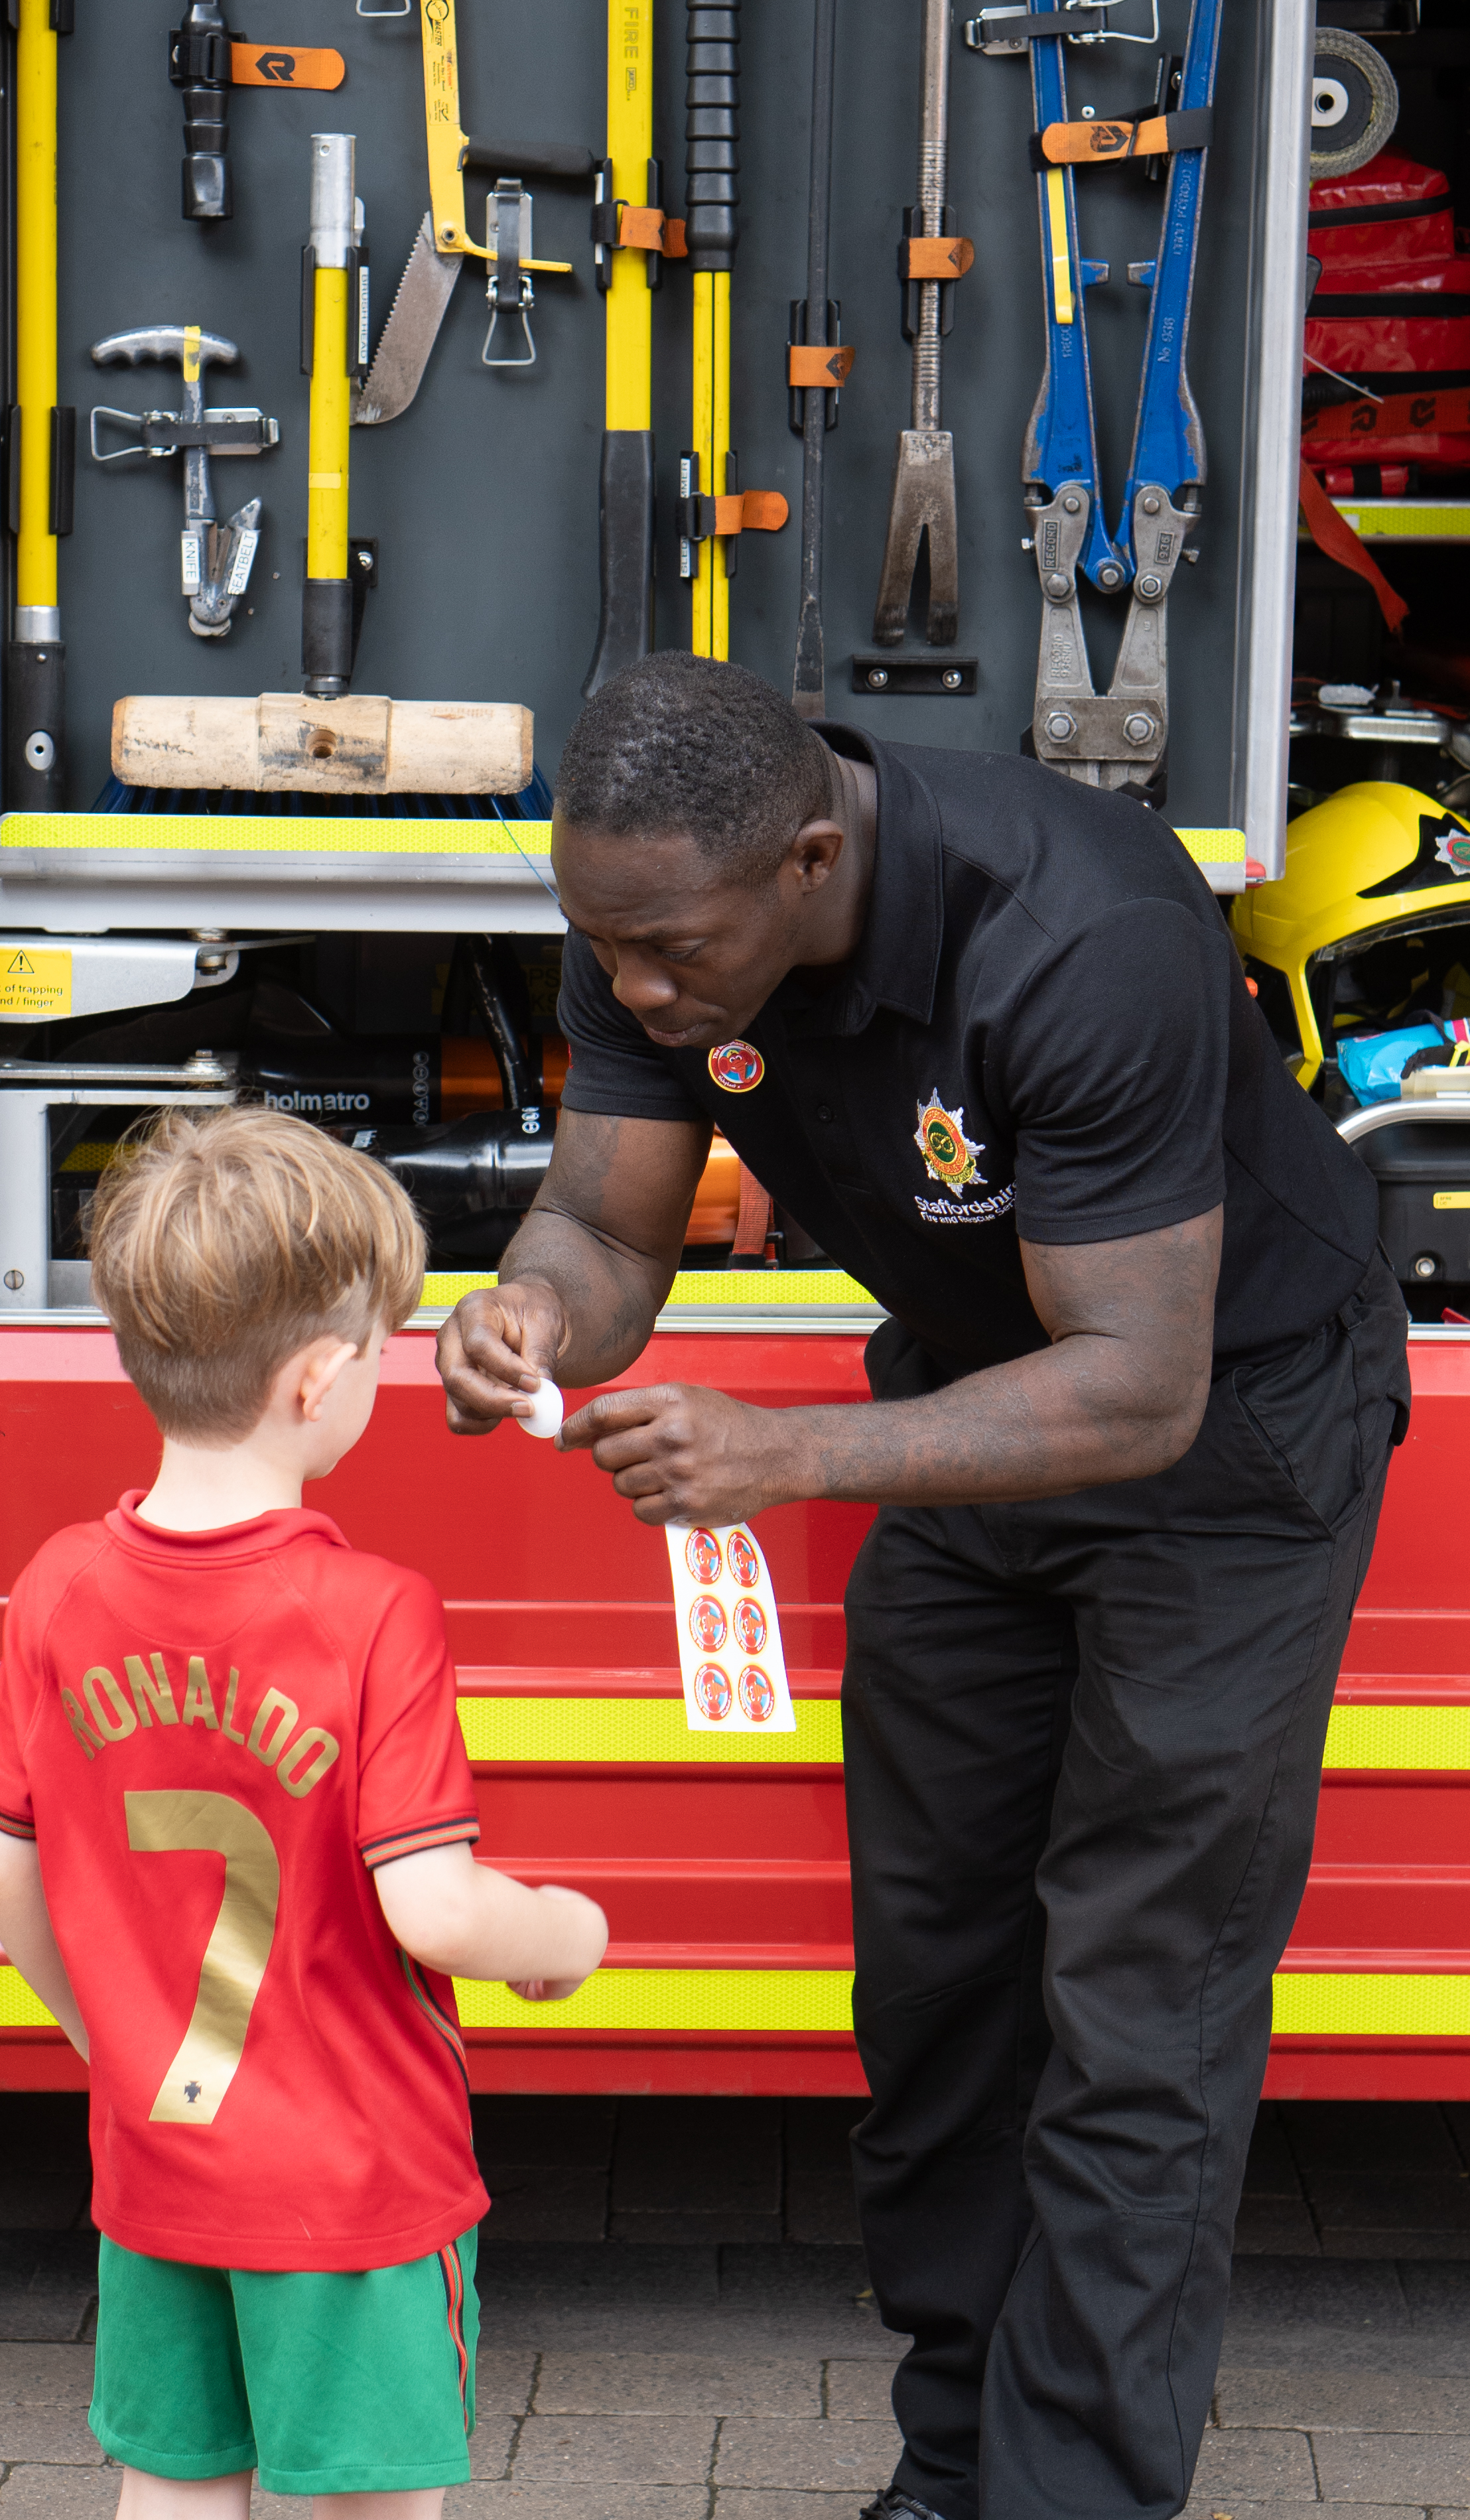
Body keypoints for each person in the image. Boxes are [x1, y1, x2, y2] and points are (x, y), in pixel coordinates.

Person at [436, 652, 1411, 2520]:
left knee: (1142, 1996)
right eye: (605, 950)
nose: (634, 991)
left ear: (812, 859)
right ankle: (958, 2451)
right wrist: (528, 1314)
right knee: (945, 1980)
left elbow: (1138, 1383)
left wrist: (792, 1454)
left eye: (669, 957)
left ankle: (1069, 2498)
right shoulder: (659, 901)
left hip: (1233, 1441)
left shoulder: (1082, 934)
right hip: (976, 1418)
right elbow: (607, 1222)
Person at [0, 1110, 606, 2520]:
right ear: (320, 1378)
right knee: (371, 2503)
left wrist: (115, 2047)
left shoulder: (58, 1586)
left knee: (173, 2487)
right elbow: (434, 1909)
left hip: (156, 2159)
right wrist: (562, 1929)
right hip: (356, 2184)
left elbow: (13, 1888)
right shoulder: (368, 1612)